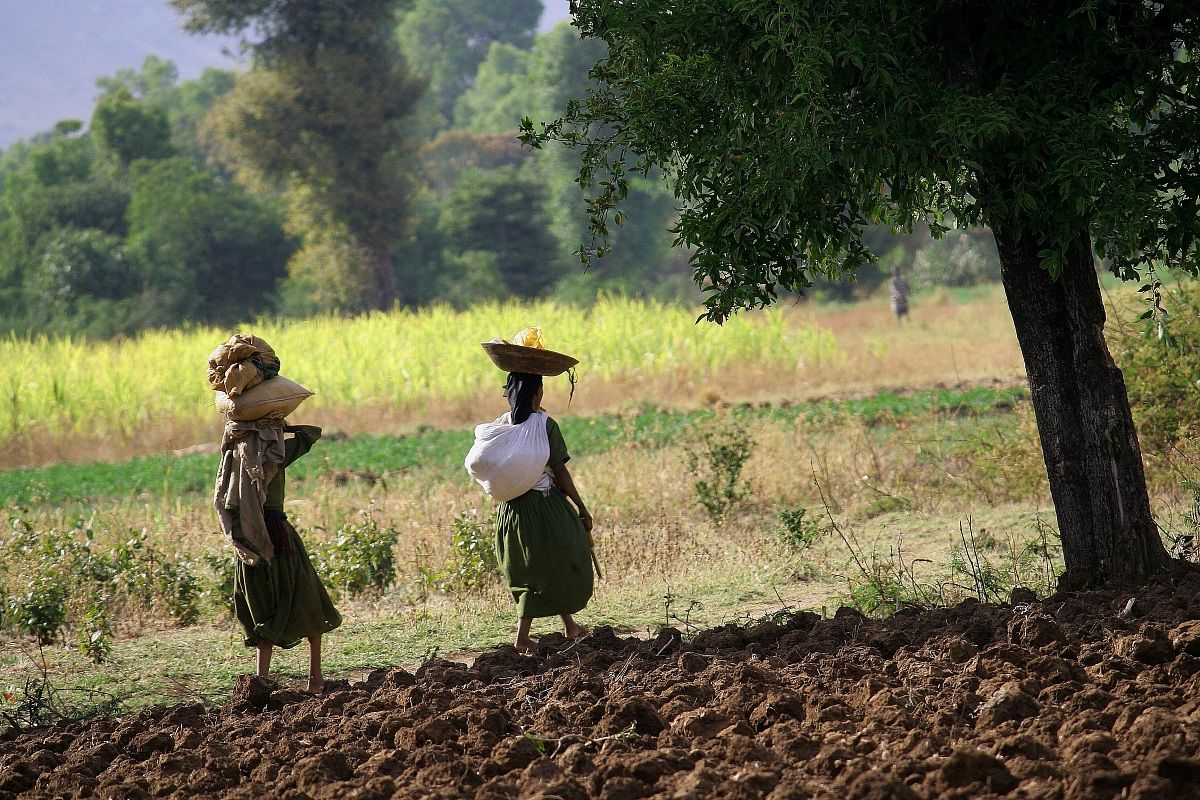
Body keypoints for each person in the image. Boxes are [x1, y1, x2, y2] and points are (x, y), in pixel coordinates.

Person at [215, 419, 342, 693]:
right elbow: (312, 432)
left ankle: (263, 681)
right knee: (305, 598)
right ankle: (314, 677)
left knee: (261, 605)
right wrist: (282, 428)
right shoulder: (277, 453)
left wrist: (262, 427)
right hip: (276, 534)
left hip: (250, 540)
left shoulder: (234, 455)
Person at [491, 372, 595, 652]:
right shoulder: (544, 425)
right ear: (536, 393)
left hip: (510, 513)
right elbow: (560, 469)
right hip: (543, 508)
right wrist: (581, 507)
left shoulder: (500, 425)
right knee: (559, 559)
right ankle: (522, 639)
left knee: (533, 566)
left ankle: (570, 625)